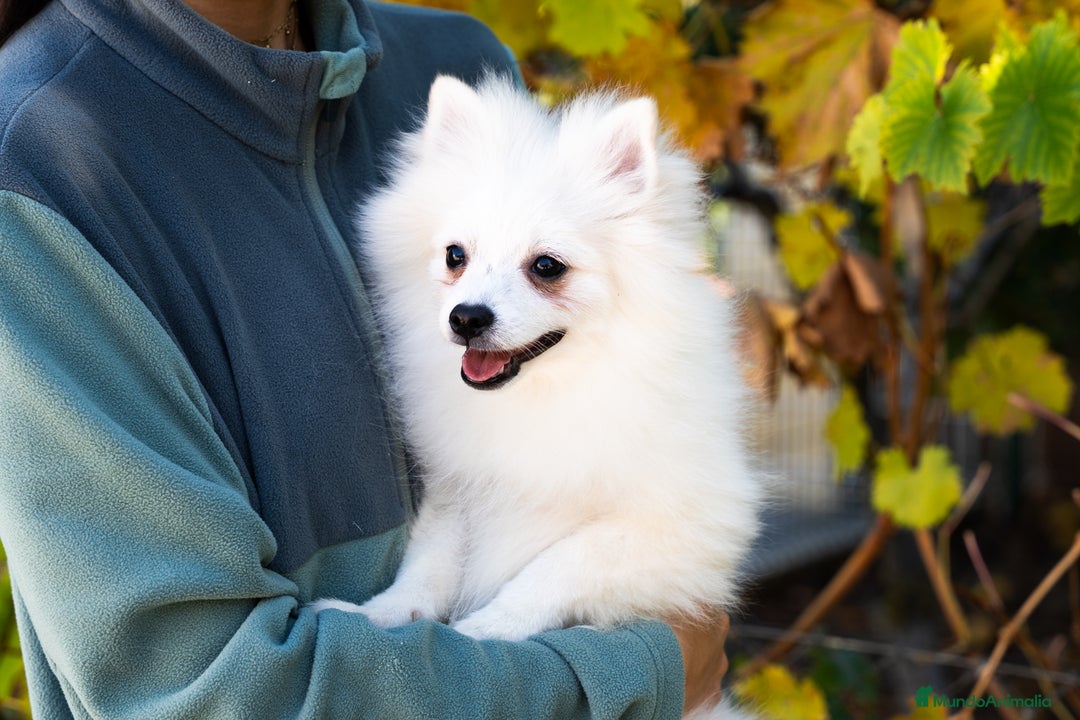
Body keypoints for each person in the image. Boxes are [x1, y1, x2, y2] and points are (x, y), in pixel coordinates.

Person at [0, 0, 731, 717]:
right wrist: (631, 675)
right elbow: (200, 689)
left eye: (546, 269)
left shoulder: (451, 61)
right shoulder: (35, 164)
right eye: (455, 259)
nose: (469, 302)